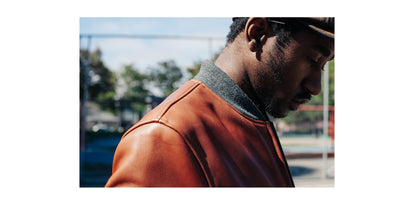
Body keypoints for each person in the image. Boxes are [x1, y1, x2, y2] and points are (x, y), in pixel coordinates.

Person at [105, 17, 334, 187]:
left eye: (323, 65)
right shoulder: (163, 136)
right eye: (313, 60)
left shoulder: (252, 123)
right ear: (257, 34)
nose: (316, 86)